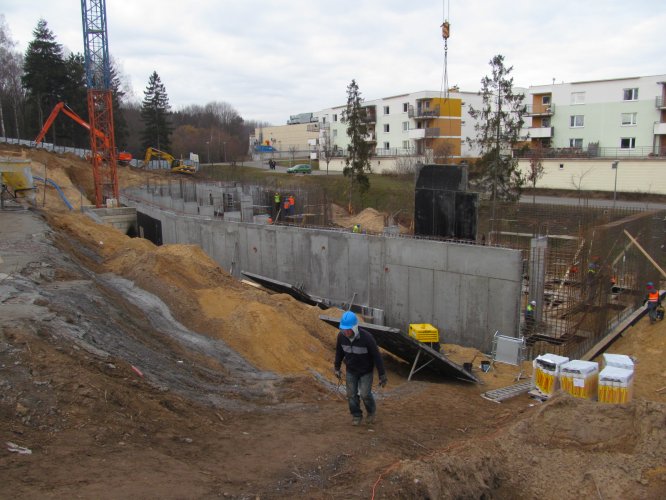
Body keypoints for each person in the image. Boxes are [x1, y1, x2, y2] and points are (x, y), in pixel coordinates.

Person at [334, 311, 387, 426]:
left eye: (348, 329)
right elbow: (339, 353)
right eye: (344, 329)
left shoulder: (367, 338)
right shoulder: (341, 337)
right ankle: (356, 415)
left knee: (365, 394)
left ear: (355, 327)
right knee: (351, 394)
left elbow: (377, 356)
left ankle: (371, 412)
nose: (346, 332)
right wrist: (337, 368)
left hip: (365, 371)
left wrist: (382, 374)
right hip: (351, 370)